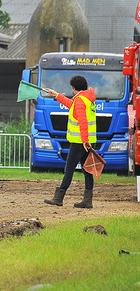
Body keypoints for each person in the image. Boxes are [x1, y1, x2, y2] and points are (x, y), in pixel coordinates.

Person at [43, 75, 96, 209]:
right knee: (87, 170)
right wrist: (57, 95)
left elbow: (82, 121)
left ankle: (58, 198)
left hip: (80, 142)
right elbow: (73, 106)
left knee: (69, 170)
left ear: (74, 88)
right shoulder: (87, 98)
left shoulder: (80, 100)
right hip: (89, 141)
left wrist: (84, 141)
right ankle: (87, 201)